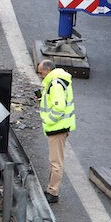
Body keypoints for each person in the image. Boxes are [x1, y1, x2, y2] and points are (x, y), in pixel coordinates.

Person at [37, 59, 75, 204]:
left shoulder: (55, 84)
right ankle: (51, 189)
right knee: (55, 160)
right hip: (60, 127)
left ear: (47, 70)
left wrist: (48, 120)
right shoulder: (57, 80)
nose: (40, 75)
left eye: (41, 72)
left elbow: (58, 107)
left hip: (57, 128)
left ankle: (53, 192)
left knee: (55, 162)